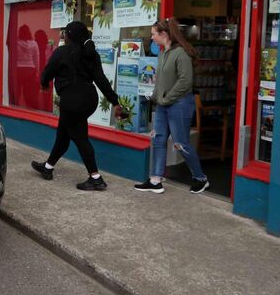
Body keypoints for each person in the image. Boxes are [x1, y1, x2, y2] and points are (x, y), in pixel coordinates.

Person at [31, 21, 122, 191]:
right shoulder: (91, 54)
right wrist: (114, 101)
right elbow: (101, 79)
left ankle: (95, 178)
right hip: (89, 99)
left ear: (70, 36)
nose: (63, 36)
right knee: (63, 135)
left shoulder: (62, 52)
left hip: (72, 101)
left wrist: (44, 84)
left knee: (80, 138)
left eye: (65, 33)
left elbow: (47, 72)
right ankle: (48, 167)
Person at [134, 17, 209, 194]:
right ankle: (155, 180)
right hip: (163, 104)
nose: (151, 38)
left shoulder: (181, 53)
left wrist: (167, 98)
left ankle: (200, 178)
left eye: (153, 34)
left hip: (180, 104)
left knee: (181, 143)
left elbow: (185, 81)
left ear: (164, 34)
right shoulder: (163, 53)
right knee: (158, 140)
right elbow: (161, 80)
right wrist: (155, 96)